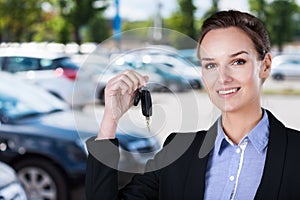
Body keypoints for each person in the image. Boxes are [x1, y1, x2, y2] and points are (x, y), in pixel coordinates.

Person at [85, 10, 300, 200]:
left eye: (237, 62)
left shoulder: (295, 153)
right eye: (211, 65)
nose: (222, 77)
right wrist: (110, 119)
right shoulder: (177, 152)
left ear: (266, 66)